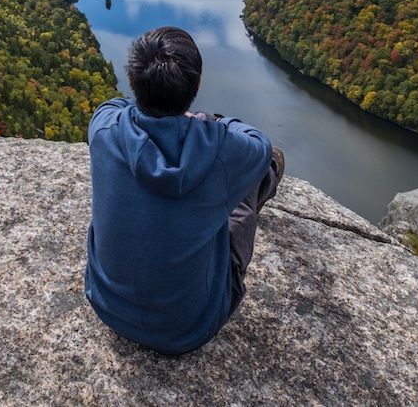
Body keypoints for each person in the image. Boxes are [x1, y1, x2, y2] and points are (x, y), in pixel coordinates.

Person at [84, 25, 285, 354]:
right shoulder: (221, 149)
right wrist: (208, 121)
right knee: (262, 171)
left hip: (107, 306)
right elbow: (261, 145)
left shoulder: (105, 129)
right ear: (197, 85)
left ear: (134, 80)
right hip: (188, 329)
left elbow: (112, 105)